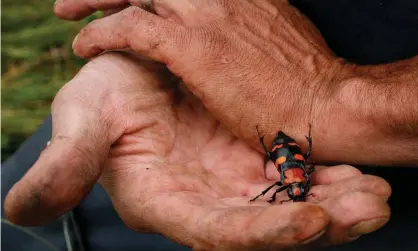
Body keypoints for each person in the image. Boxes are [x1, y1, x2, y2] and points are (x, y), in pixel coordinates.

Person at [2, 0, 417, 250]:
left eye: (293, 186)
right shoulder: (296, 177)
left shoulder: (291, 178)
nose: (293, 185)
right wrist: (164, 34)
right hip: (183, 120)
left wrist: (337, 95)